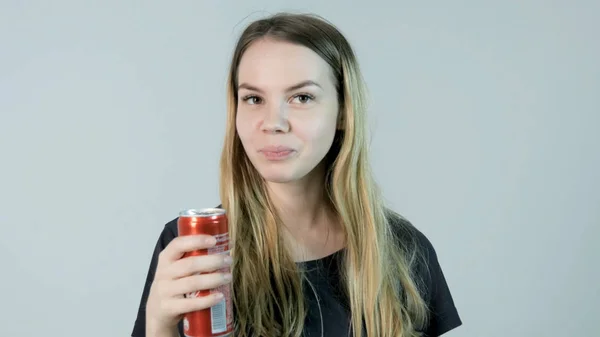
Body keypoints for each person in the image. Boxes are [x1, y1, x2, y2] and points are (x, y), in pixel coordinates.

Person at [131, 12, 462, 337]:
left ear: (343, 112)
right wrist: (159, 325)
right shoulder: (192, 248)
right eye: (253, 98)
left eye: (302, 97)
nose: (274, 122)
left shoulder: (404, 250)